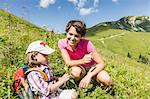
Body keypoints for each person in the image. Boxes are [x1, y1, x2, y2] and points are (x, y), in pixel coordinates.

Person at [58, 20, 112, 89]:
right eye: (70, 34)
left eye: (76, 36)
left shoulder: (87, 44)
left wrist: (89, 75)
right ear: (67, 32)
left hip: (92, 67)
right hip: (79, 66)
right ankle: (77, 84)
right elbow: (68, 62)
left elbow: (101, 64)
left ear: (81, 37)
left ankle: (93, 79)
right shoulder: (62, 43)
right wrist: (82, 61)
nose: (72, 38)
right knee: (75, 72)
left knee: (107, 80)